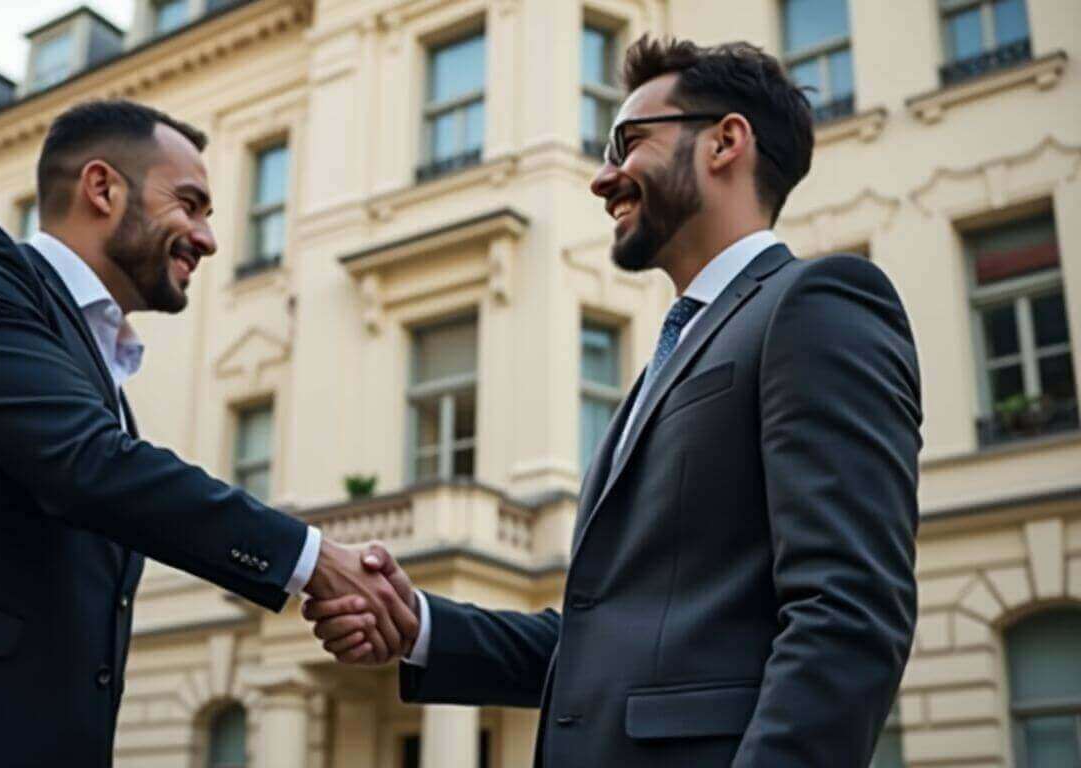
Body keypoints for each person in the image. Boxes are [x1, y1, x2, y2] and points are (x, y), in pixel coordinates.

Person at [305, 35, 922, 766]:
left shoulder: (817, 302)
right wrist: (422, 628)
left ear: (726, 141)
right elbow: (607, 643)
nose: (603, 177)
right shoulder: (667, 358)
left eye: (627, 143)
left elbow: (848, 613)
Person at [0, 100, 416, 768]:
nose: (208, 238)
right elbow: (88, 464)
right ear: (102, 188)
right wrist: (311, 559)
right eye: (191, 204)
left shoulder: (101, 377)